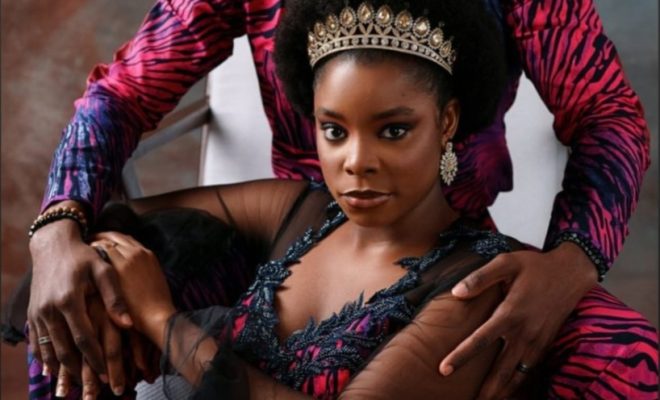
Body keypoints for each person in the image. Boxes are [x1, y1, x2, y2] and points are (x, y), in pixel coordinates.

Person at [22, 0, 656, 399]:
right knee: (83, 290)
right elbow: (121, 95)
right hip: (293, 231)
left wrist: (572, 261)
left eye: (392, 129)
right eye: (334, 130)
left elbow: (607, 114)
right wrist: (58, 226)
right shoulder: (287, 207)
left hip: (444, 246)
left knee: (620, 356)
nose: (357, 157)